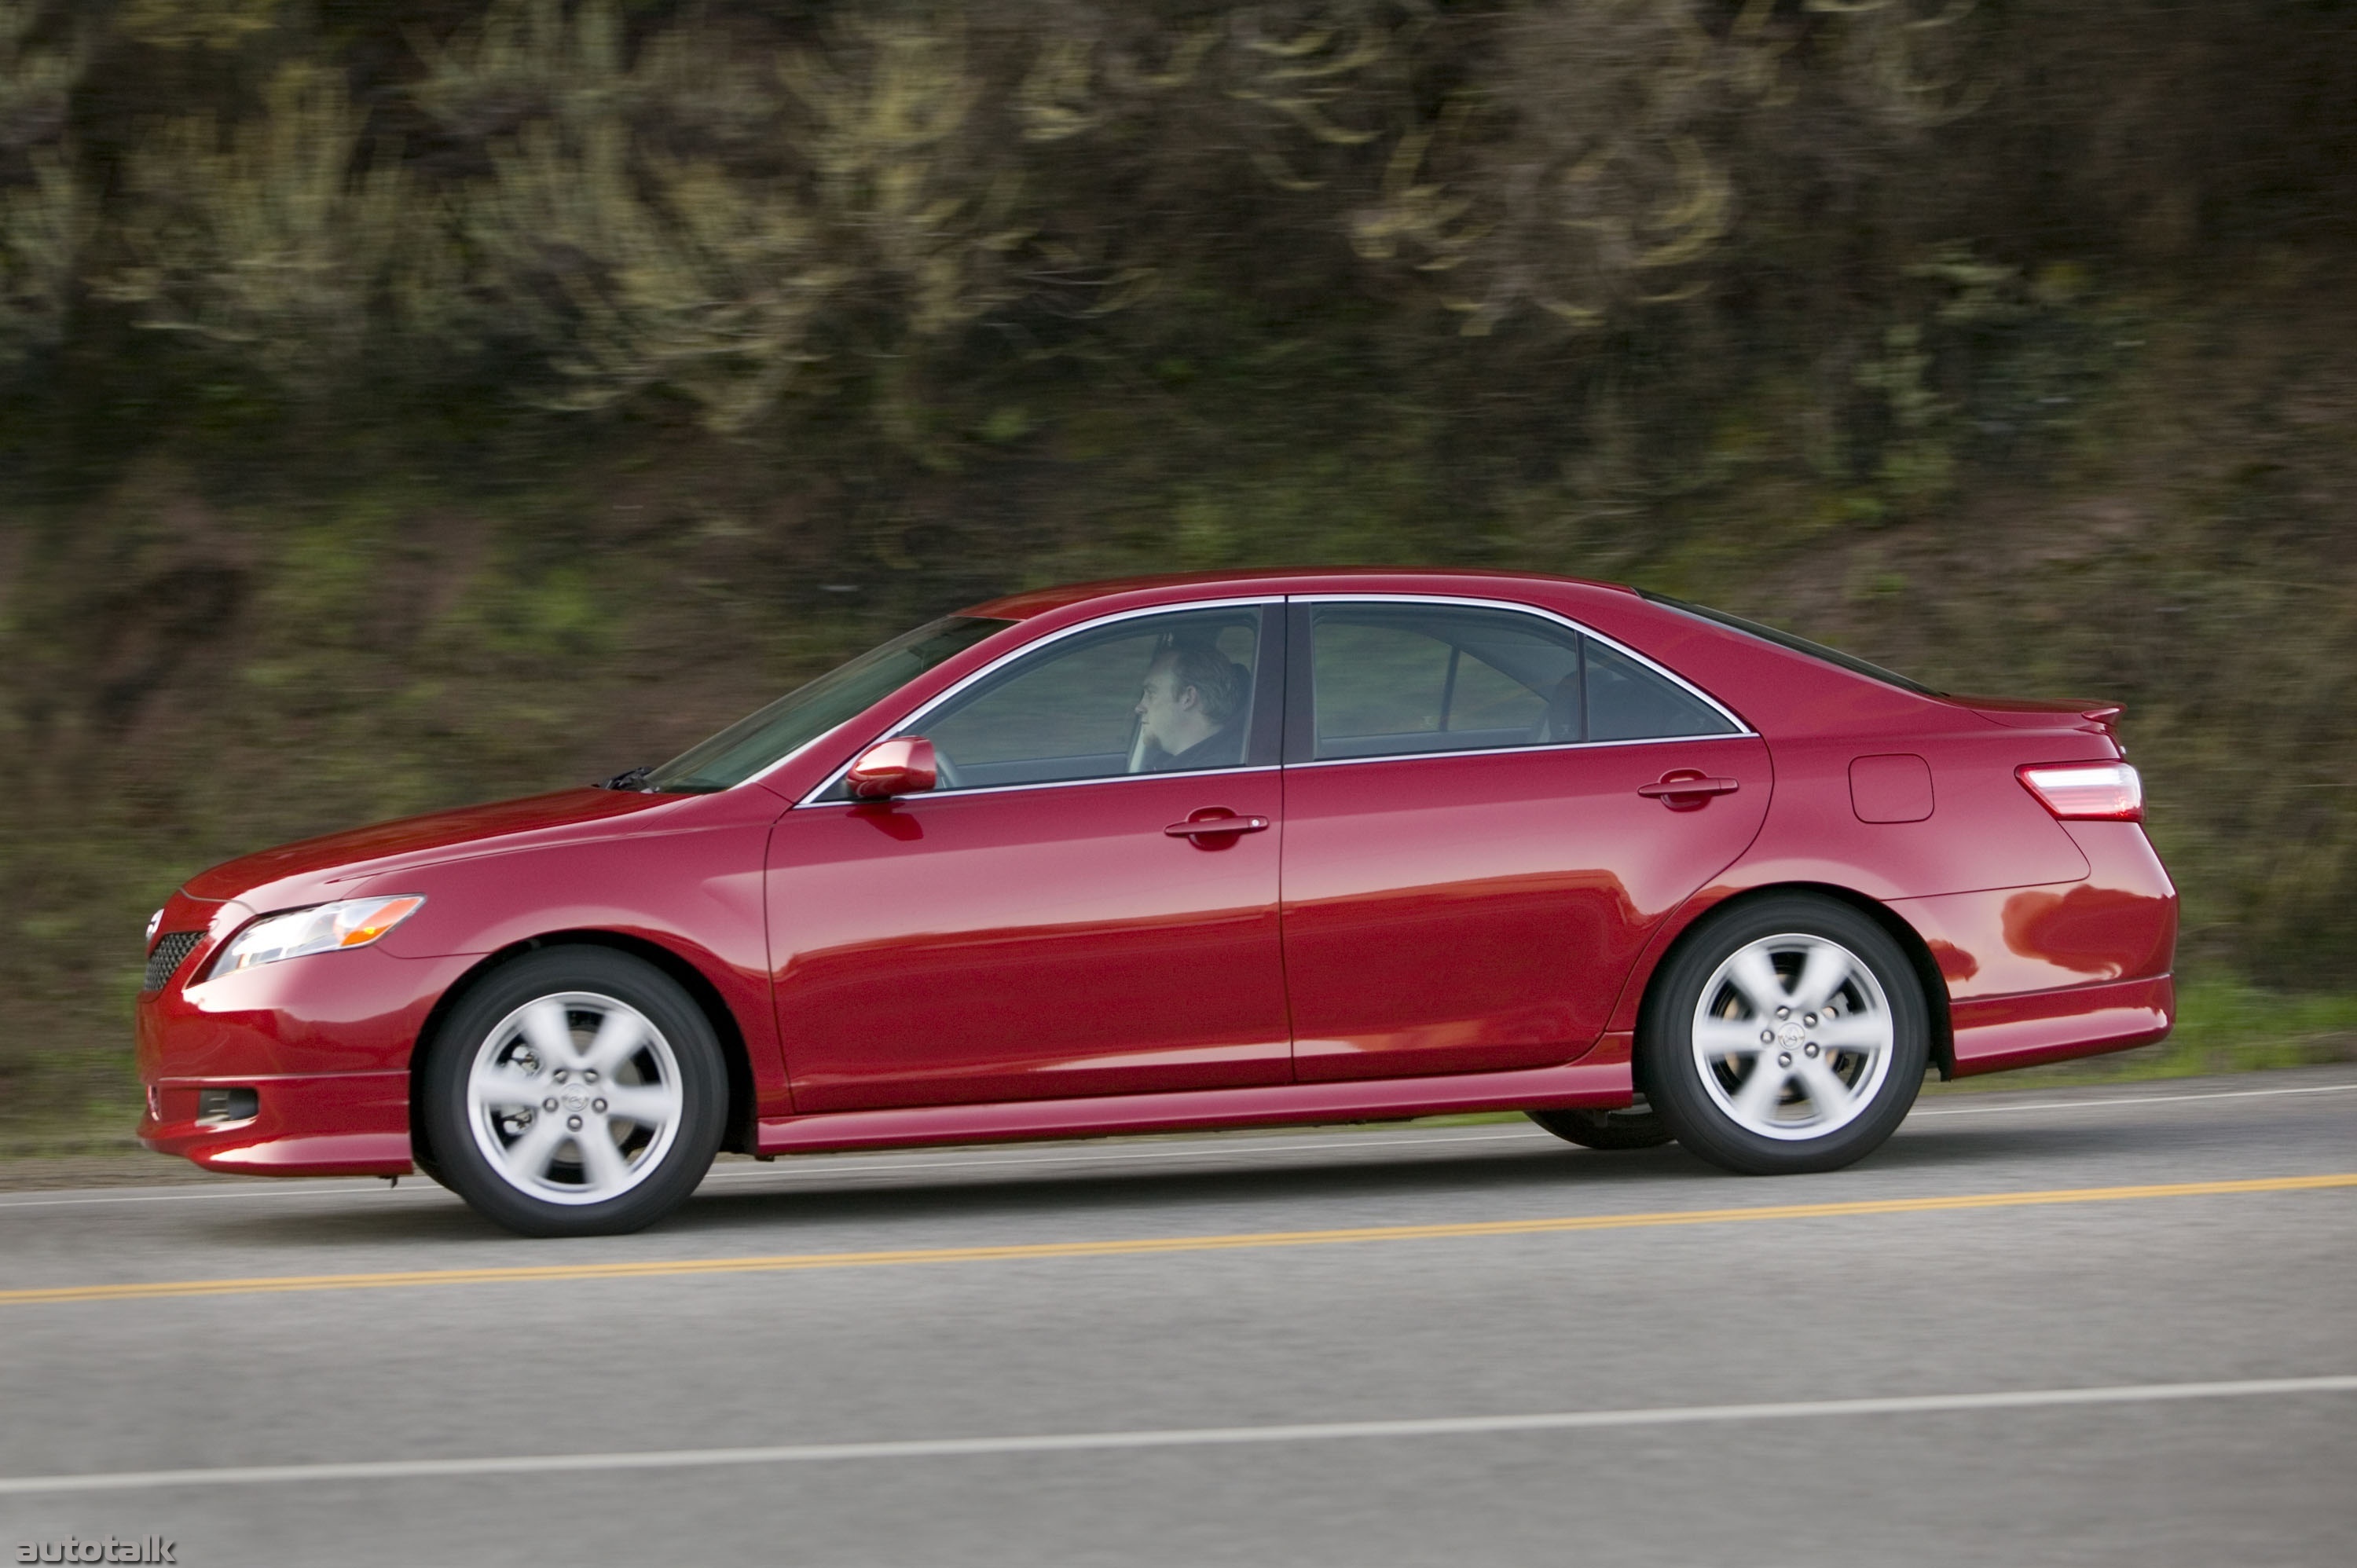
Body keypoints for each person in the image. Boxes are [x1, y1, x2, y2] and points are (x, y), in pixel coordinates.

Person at [1135, 641, 1248, 771]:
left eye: (1151, 693)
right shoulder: (1179, 766)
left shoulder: (1213, 778)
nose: (1138, 708)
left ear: (1188, 698)